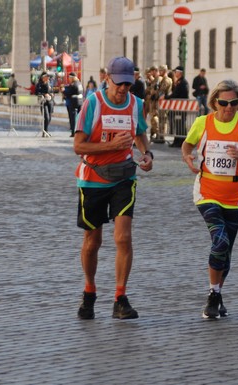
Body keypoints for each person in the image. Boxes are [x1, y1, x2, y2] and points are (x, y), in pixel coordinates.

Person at [73, 56, 153, 320]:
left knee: (123, 238)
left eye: (127, 85)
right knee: (92, 242)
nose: (122, 89)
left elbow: (140, 133)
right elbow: (78, 147)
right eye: (118, 84)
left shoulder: (136, 104)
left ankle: (120, 297)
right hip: (93, 178)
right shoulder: (93, 103)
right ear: (107, 78)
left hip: (123, 178)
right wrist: (112, 146)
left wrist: (146, 153)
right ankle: (89, 291)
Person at [181, 79, 238, 319]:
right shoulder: (202, 122)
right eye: (224, 103)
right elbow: (187, 146)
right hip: (207, 192)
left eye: (234, 103)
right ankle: (213, 294)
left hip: (235, 196)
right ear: (214, 101)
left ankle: (216, 295)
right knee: (220, 240)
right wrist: (188, 158)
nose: (228, 107)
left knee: (226, 252)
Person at [165, 66, 189, 145]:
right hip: (178, 107)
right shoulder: (180, 82)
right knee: (178, 124)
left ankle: (180, 142)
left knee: (180, 124)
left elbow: (176, 94)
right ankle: (177, 141)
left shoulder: (182, 83)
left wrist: (166, 97)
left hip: (181, 107)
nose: (175, 73)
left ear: (180, 73)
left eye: (176, 72)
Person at [63, 72, 83, 137]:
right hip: (80, 101)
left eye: (69, 78)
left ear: (72, 78)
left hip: (74, 102)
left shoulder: (73, 84)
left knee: (72, 117)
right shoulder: (79, 83)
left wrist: (63, 91)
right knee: (79, 117)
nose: (69, 79)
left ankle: (73, 131)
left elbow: (68, 93)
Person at [144, 66, 161, 142]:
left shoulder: (157, 80)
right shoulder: (150, 81)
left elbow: (155, 91)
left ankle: (157, 134)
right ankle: (153, 134)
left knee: (154, 118)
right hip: (149, 101)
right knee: (151, 118)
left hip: (154, 102)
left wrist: (151, 94)